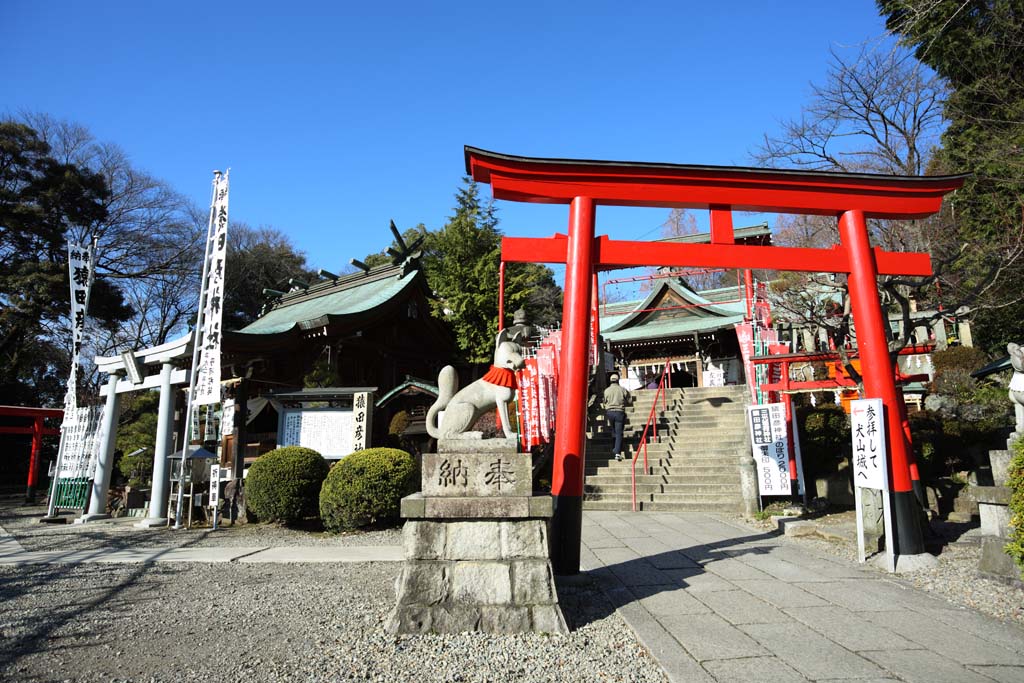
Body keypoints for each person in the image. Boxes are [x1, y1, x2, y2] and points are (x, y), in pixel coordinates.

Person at [603, 372, 630, 461]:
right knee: (619, 432)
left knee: (613, 430)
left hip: (609, 412)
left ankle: (614, 447)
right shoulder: (622, 390)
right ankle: (617, 452)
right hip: (619, 412)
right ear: (618, 381)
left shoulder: (606, 390)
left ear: (610, 381)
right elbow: (629, 400)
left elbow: (604, 402)